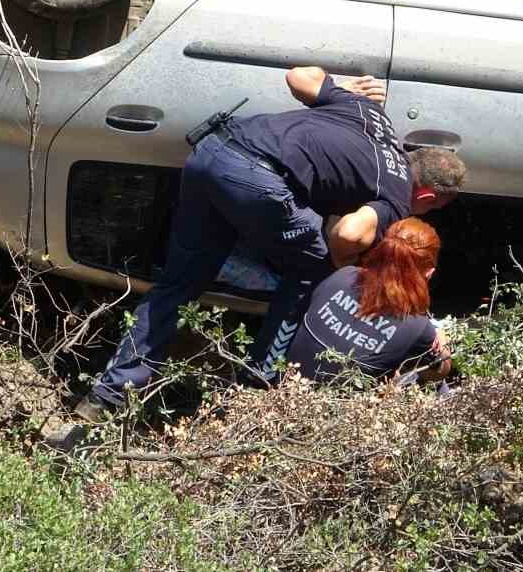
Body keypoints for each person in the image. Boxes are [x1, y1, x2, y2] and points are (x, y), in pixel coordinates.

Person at [70, 66, 468, 431]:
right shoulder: (397, 196)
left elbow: (299, 76)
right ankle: (257, 385)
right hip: (257, 178)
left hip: (213, 151)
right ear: (428, 194)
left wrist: (342, 86)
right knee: (312, 267)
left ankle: (106, 396)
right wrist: (340, 265)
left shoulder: (369, 114)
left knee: (179, 284)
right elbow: (349, 233)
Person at [287, 217, 453, 384]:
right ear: (428, 273)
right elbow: (438, 373)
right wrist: (440, 335)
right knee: (432, 381)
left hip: (288, 385)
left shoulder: (344, 274)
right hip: (343, 407)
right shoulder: (417, 326)